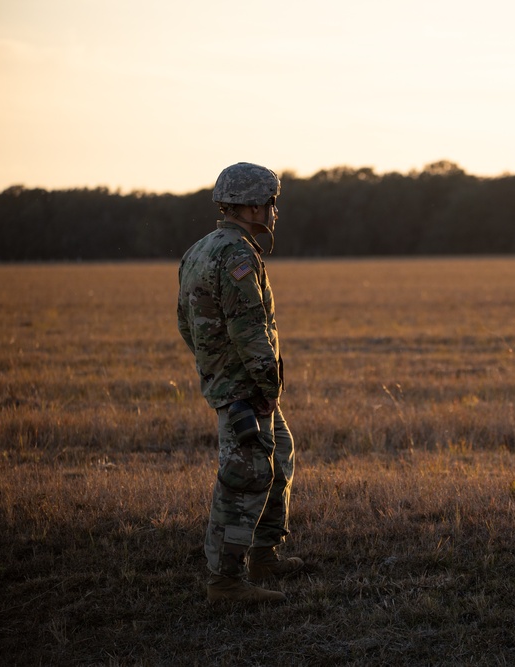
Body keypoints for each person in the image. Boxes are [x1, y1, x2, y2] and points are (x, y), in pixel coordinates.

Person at [177, 162, 303, 603]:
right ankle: (226, 582)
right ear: (250, 207)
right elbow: (250, 332)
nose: (273, 211)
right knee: (244, 477)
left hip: (232, 383)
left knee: (279, 456)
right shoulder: (237, 255)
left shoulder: (199, 250)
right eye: (270, 202)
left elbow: (185, 325)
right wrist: (266, 389)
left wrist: (213, 370)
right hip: (245, 390)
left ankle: (264, 553)